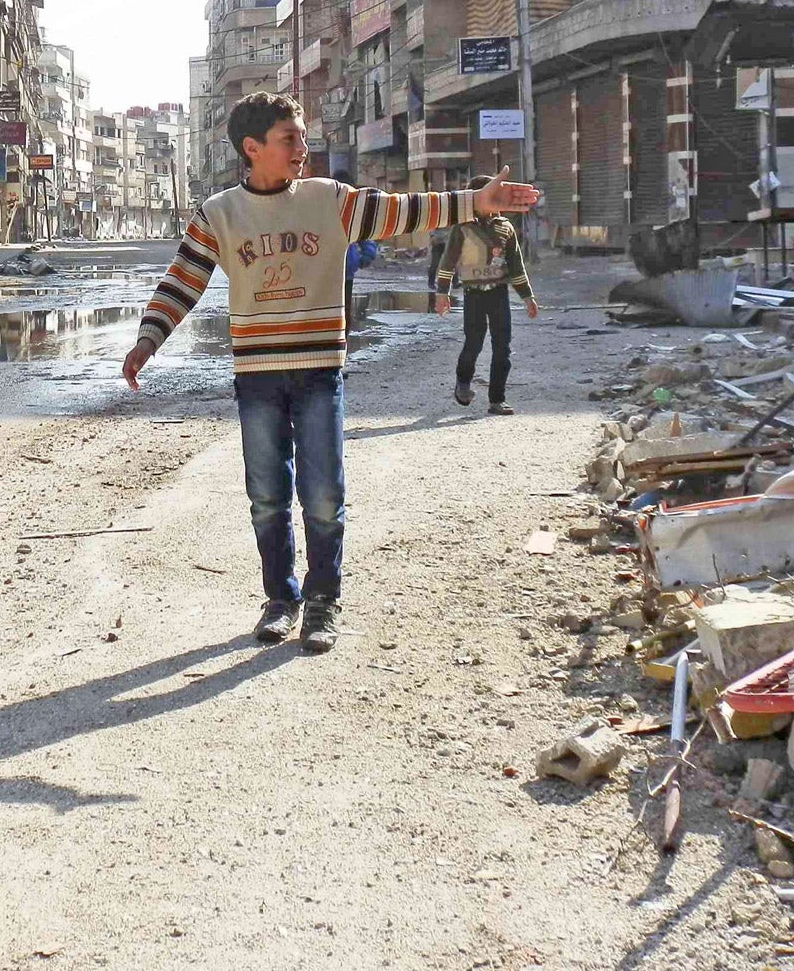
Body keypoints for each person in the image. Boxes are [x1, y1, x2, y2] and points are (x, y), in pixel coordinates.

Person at [122, 91, 539, 653]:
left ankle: (322, 602)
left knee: (322, 495)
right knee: (267, 496)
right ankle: (281, 597)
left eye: (302, 137)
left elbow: (404, 210)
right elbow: (183, 281)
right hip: (257, 377)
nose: (302, 148)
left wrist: (475, 201)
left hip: (320, 370)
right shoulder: (219, 214)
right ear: (252, 148)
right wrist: (148, 339)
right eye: (289, 139)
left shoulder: (330, 200)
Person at [434, 176, 540, 415]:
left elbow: (516, 266)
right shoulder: (462, 228)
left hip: (498, 295)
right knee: (473, 343)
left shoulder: (505, 227)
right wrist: (442, 293)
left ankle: (497, 399)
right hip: (474, 295)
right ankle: (463, 383)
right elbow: (448, 261)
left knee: (502, 347)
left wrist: (527, 297)